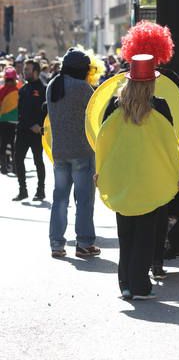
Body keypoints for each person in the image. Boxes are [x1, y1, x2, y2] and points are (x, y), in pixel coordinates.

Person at [96, 54, 179, 300]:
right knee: (146, 234)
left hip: (121, 176)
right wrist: (178, 174)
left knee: (125, 233)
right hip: (152, 177)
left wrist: (101, 170)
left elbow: (104, 140)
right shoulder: (160, 107)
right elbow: (170, 144)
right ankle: (139, 284)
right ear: (151, 82)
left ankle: (125, 284)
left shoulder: (114, 107)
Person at [46, 48, 99, 258]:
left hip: (59, 151)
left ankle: (57, 244)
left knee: (59, 198)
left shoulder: (53, 85)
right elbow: (96, 115)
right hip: (82, 152)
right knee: (84, 199)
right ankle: (84, 243)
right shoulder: (82, 88)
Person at [13, 59, 45, 201]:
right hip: (23, 130)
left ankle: (40, 190)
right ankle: (23, 190)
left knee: (38, 161)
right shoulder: (23, 89)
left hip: (37, 133)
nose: (25, 72)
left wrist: (39, 126)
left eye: (28, 70)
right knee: (18, 159)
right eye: (25, 70)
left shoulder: (43, 89)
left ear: (36, 72)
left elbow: (46, 111)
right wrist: (27, 124)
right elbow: (20, 111)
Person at [0, 66, 19, 174]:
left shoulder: (1, 90)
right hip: (15, 122)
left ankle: (3, 166)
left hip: (2, 121)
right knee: (13, 144)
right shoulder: (18, 90)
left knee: (3, 143)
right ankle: (15, 166)